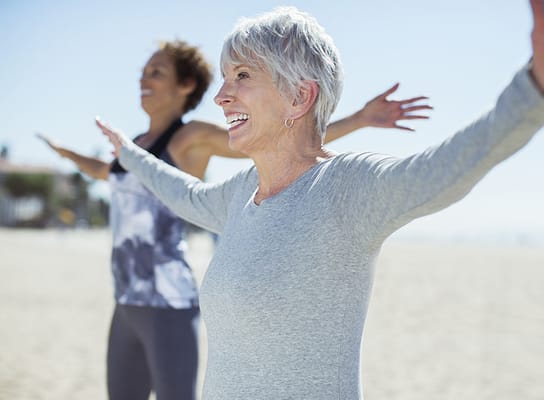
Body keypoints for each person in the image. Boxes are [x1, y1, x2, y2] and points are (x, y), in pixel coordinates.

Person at [97, 2, 544, 399]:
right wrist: (128, 151)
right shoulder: (240, 193)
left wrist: (534, 88)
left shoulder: (346, 189)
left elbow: (445, 168)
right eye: (227, 77)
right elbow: (184, 193)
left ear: (299, 97)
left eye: (243, 76)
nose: (221, 95)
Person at [39, 38, 431, 400]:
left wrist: (360, 119)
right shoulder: (136, 146)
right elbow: (105, 172)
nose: (144, 78)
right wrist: (64, 152)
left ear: (186, 85)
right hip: (125, 296)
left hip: (169, 298)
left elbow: (276, 134)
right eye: (143, 72)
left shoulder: (189, 136)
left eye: (156, 72)